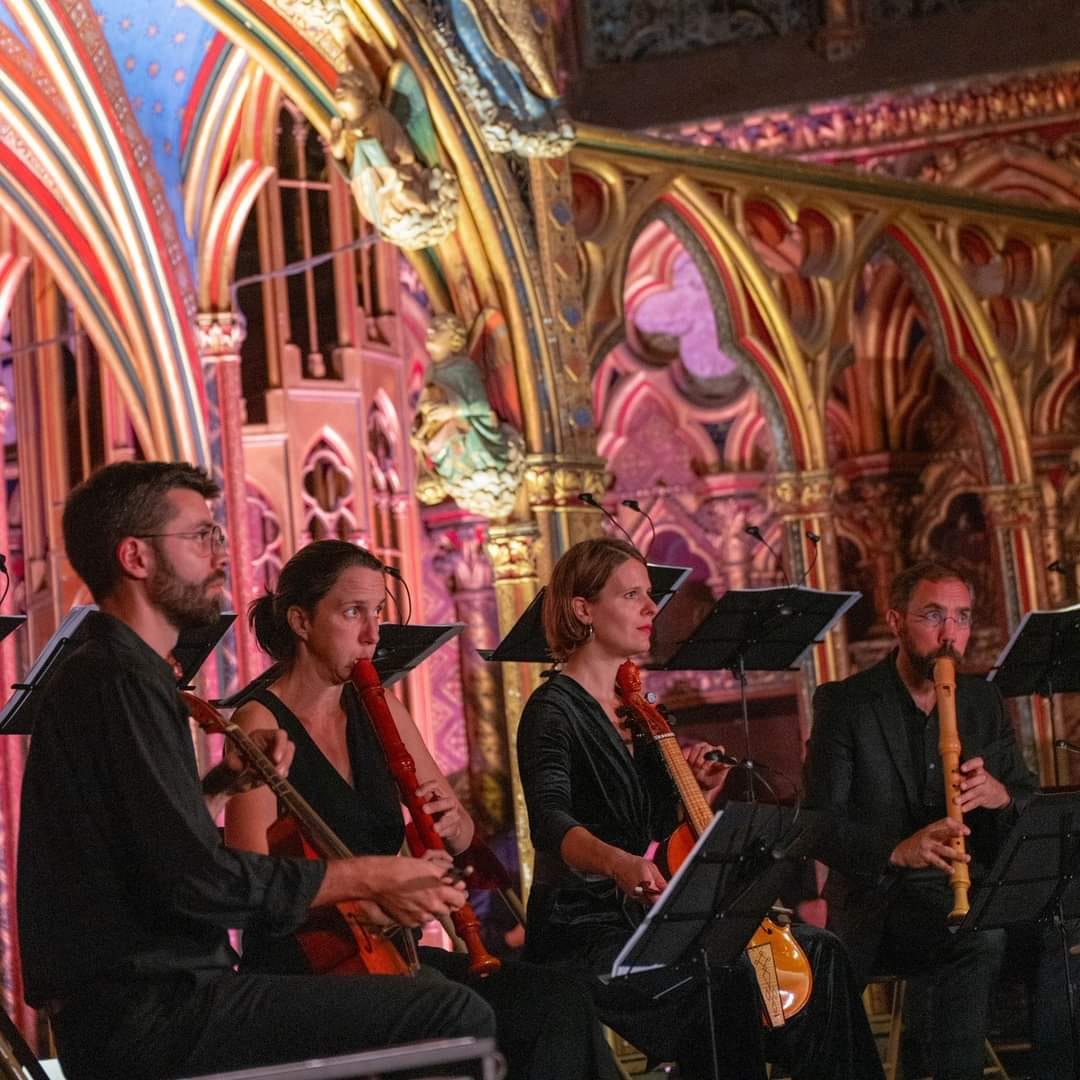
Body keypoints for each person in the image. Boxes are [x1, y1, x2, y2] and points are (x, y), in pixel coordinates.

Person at [17, 461, 495, 1080]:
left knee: (466, 1002)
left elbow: (146, 844)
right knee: (451, 1012)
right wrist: (374, 875)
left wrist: (220, 788)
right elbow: (197, 882)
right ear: (135, 557)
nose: (221, 554)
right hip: (147, 1013)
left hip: (166, 998)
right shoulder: (116, 680)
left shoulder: (126, 672)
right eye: (201, 537)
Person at [223, 538, 618, 1080]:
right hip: (310, 969)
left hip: (391, 956)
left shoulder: (380, 706)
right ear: (300, 621)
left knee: (557, 998)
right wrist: (371, 896)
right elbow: (250, 885)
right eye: (353, 612)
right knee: (466, 1016)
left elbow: (462, 840)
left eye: (378, 612)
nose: (373, 633)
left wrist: (453, 827)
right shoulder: (258, 723)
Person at [516, 536, 884, 1080]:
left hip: (659, 915)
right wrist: (617, 864)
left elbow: (658, 830)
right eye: (631, 595)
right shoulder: (551, 710)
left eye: (649, 594)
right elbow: (551, 824)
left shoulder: (639, 710)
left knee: (821, 953)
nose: (651, 608)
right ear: (583, 609)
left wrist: (701, 791)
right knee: (724, 975)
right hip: (586, 927)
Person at [804, 561, 1040, 1080]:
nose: (949, 633)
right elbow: (817, 824)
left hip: (973, 889)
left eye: (962, 617)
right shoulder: (847, 704)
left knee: (1060, 930)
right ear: (895, 621)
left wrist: (1000, 797)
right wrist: (897, 850)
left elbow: (1024, 800)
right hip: (882, 902)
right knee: (977, 940)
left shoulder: (981, 700)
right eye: (933, 615)